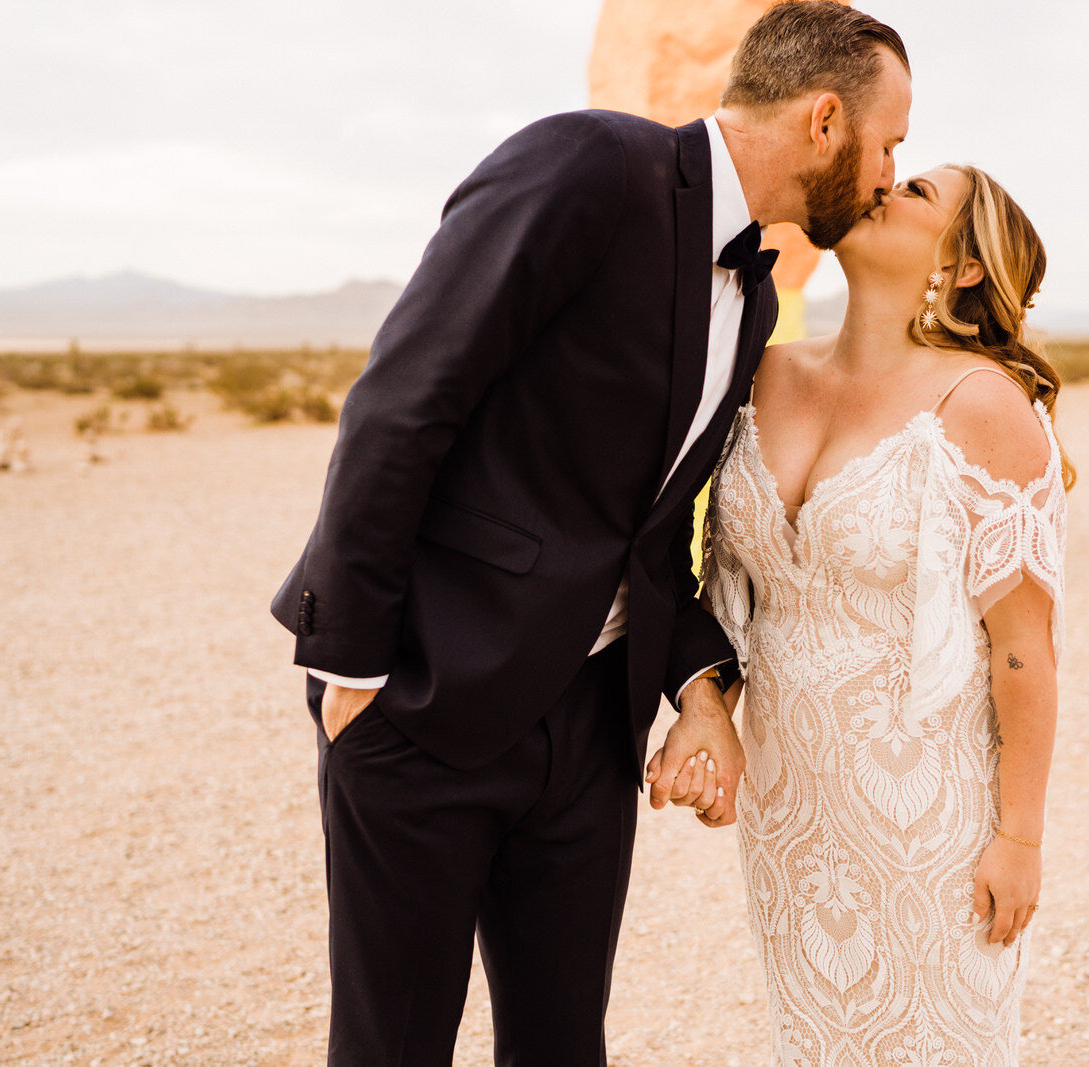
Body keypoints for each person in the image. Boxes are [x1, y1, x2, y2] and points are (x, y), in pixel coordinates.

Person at [267, 4, 911, 1063]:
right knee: (392, 1044)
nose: (892, 172)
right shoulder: (589, 163)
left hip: (590, 730)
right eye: (891, 141)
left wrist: (699, 690)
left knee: (565, 1044)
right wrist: (352, 666)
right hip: (427, 697)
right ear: (827, 120)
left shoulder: (751, 299)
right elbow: (403, 399)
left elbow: (652, 530)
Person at [691, 163, 1071, 1065]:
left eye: (921, 194)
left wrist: (1019, 837)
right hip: (793, 808)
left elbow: (1025, 648)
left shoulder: (981, 405)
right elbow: (717, 576)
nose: (885, 188)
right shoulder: (763, 373)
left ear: (965, 266)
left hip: (930, 812)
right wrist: (704, 707)